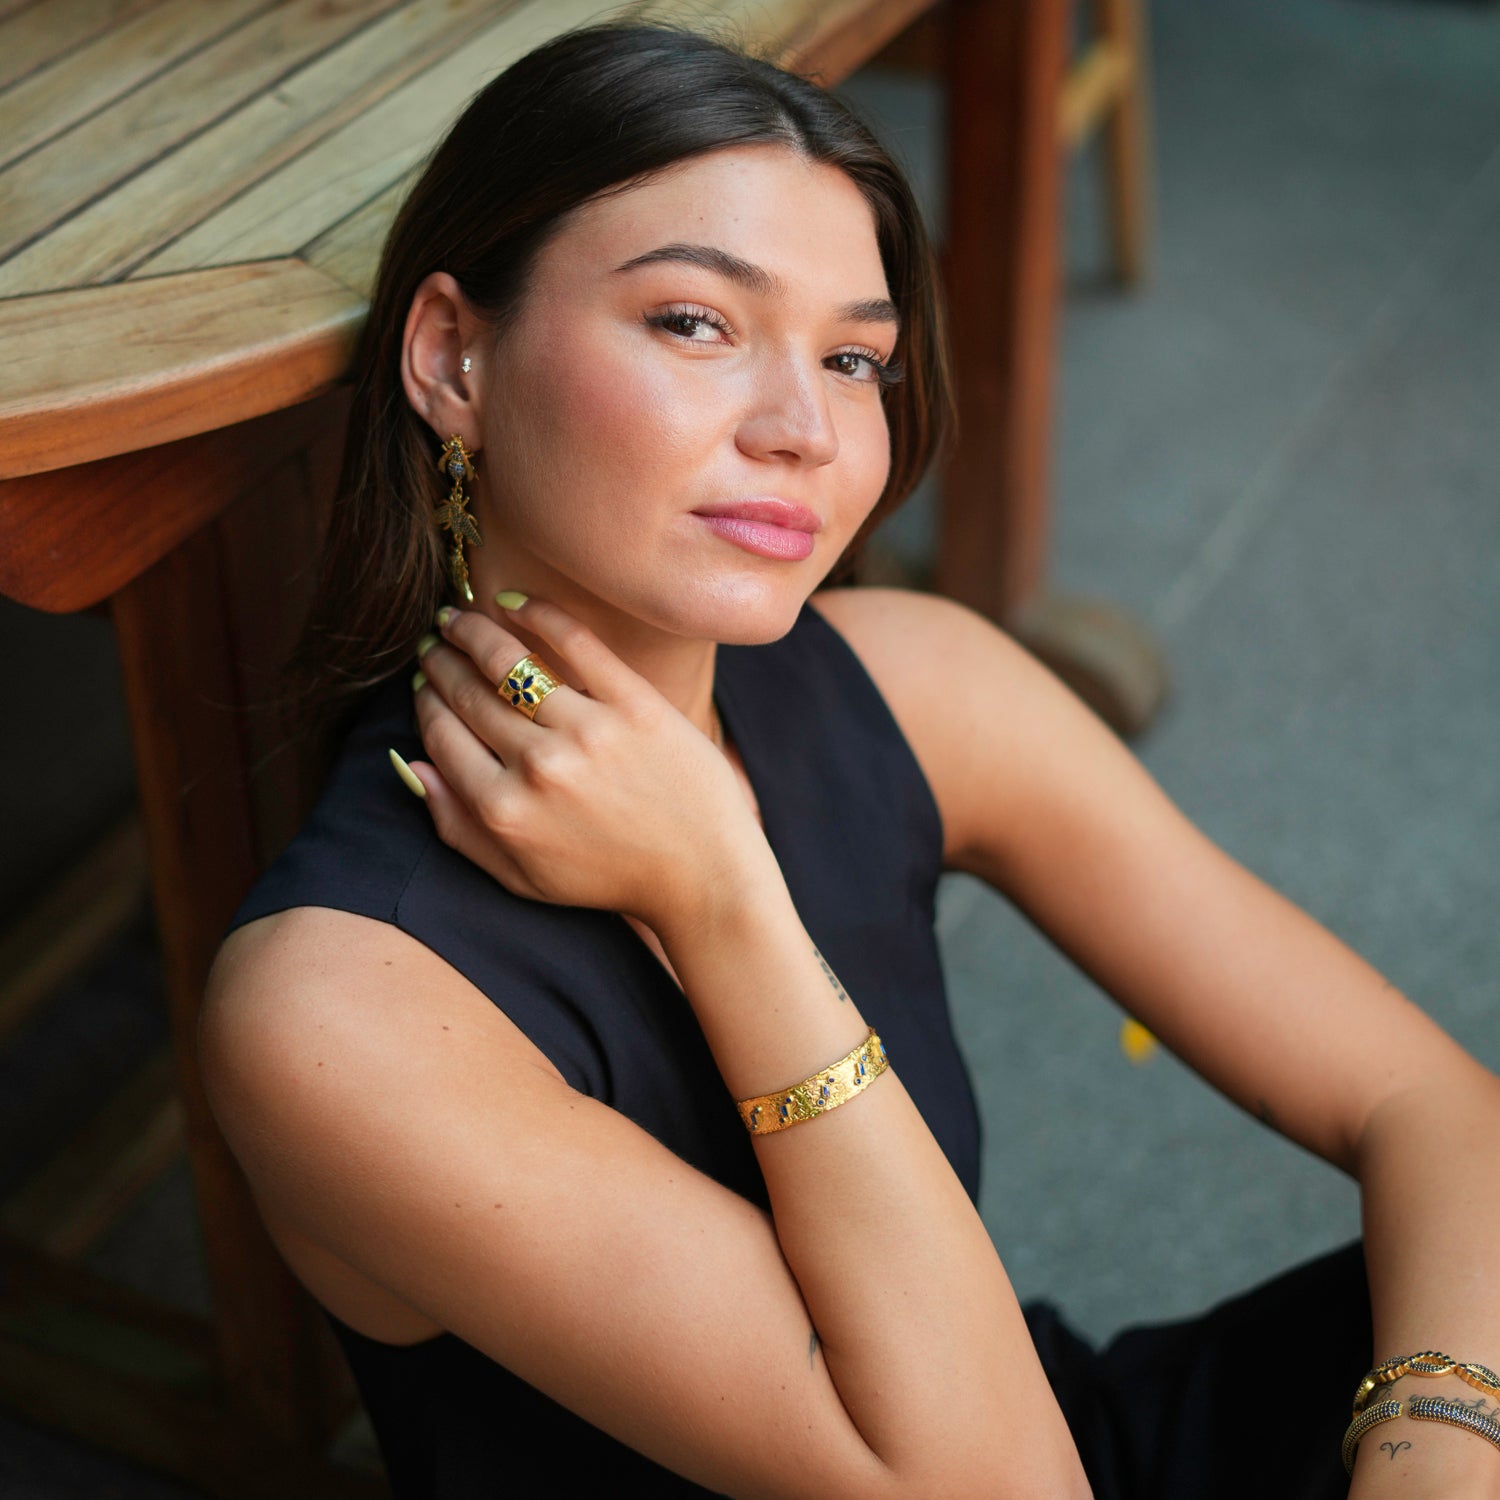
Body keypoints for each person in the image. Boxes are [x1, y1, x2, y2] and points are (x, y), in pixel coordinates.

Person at [201, 21, 1500, 1499]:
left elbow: (1434, 1105)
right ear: (452, 354)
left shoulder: (917, 679)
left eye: (854, 355)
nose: (804, 429)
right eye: (694, 322)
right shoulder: (338, 1014)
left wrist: (1437, 1448)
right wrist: (720, 899)